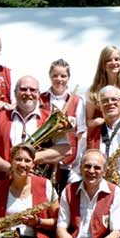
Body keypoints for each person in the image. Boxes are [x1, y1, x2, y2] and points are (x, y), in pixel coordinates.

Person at [0, 76, 70, 183]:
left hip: (39, 185)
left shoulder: (50, 118)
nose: (28, 93)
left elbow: (65, 149)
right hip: (4, 184)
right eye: (23, 89)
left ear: (38, 94)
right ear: (15, 92)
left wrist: (31, 158)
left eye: (33, 90)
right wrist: (11, 168)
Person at [39, 59, 87, 193]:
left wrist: (77, 161)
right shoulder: (40, 99)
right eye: (55, 75)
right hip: (46, 158)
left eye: (63, 76)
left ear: (68, 78)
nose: (59, 79)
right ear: (50, 76)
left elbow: (81, 132)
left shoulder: (77, 101)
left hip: (68, 161)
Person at [85, 45, 120, 130]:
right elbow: (88, 121)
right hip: (102, 138)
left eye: (117, 59)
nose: (114, 62)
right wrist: (97, 122)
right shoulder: (93, 91)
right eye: (109, 60)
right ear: (103, 65)